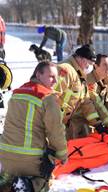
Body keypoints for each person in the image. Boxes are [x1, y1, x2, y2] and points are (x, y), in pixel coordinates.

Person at [0, 61, 67, 191]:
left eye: (56, 78)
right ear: (38, 74)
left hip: (5, 156)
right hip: (29, 158)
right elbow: (56, 132)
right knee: (45, 181)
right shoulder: (48, 98)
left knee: (7, 184)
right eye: (51, 76)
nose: (55, 81)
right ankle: (28, 186)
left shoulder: (17, 93)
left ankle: (9, 183)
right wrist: (62, 156)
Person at [55, 44, 102, 140]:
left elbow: (86, 102)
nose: (91, 67)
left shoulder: (80, 75)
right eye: (90, 63)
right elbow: (51, 96)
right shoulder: (65, 70)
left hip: (63, 123)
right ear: (81, 59)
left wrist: (97, 124)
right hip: (53, 123)